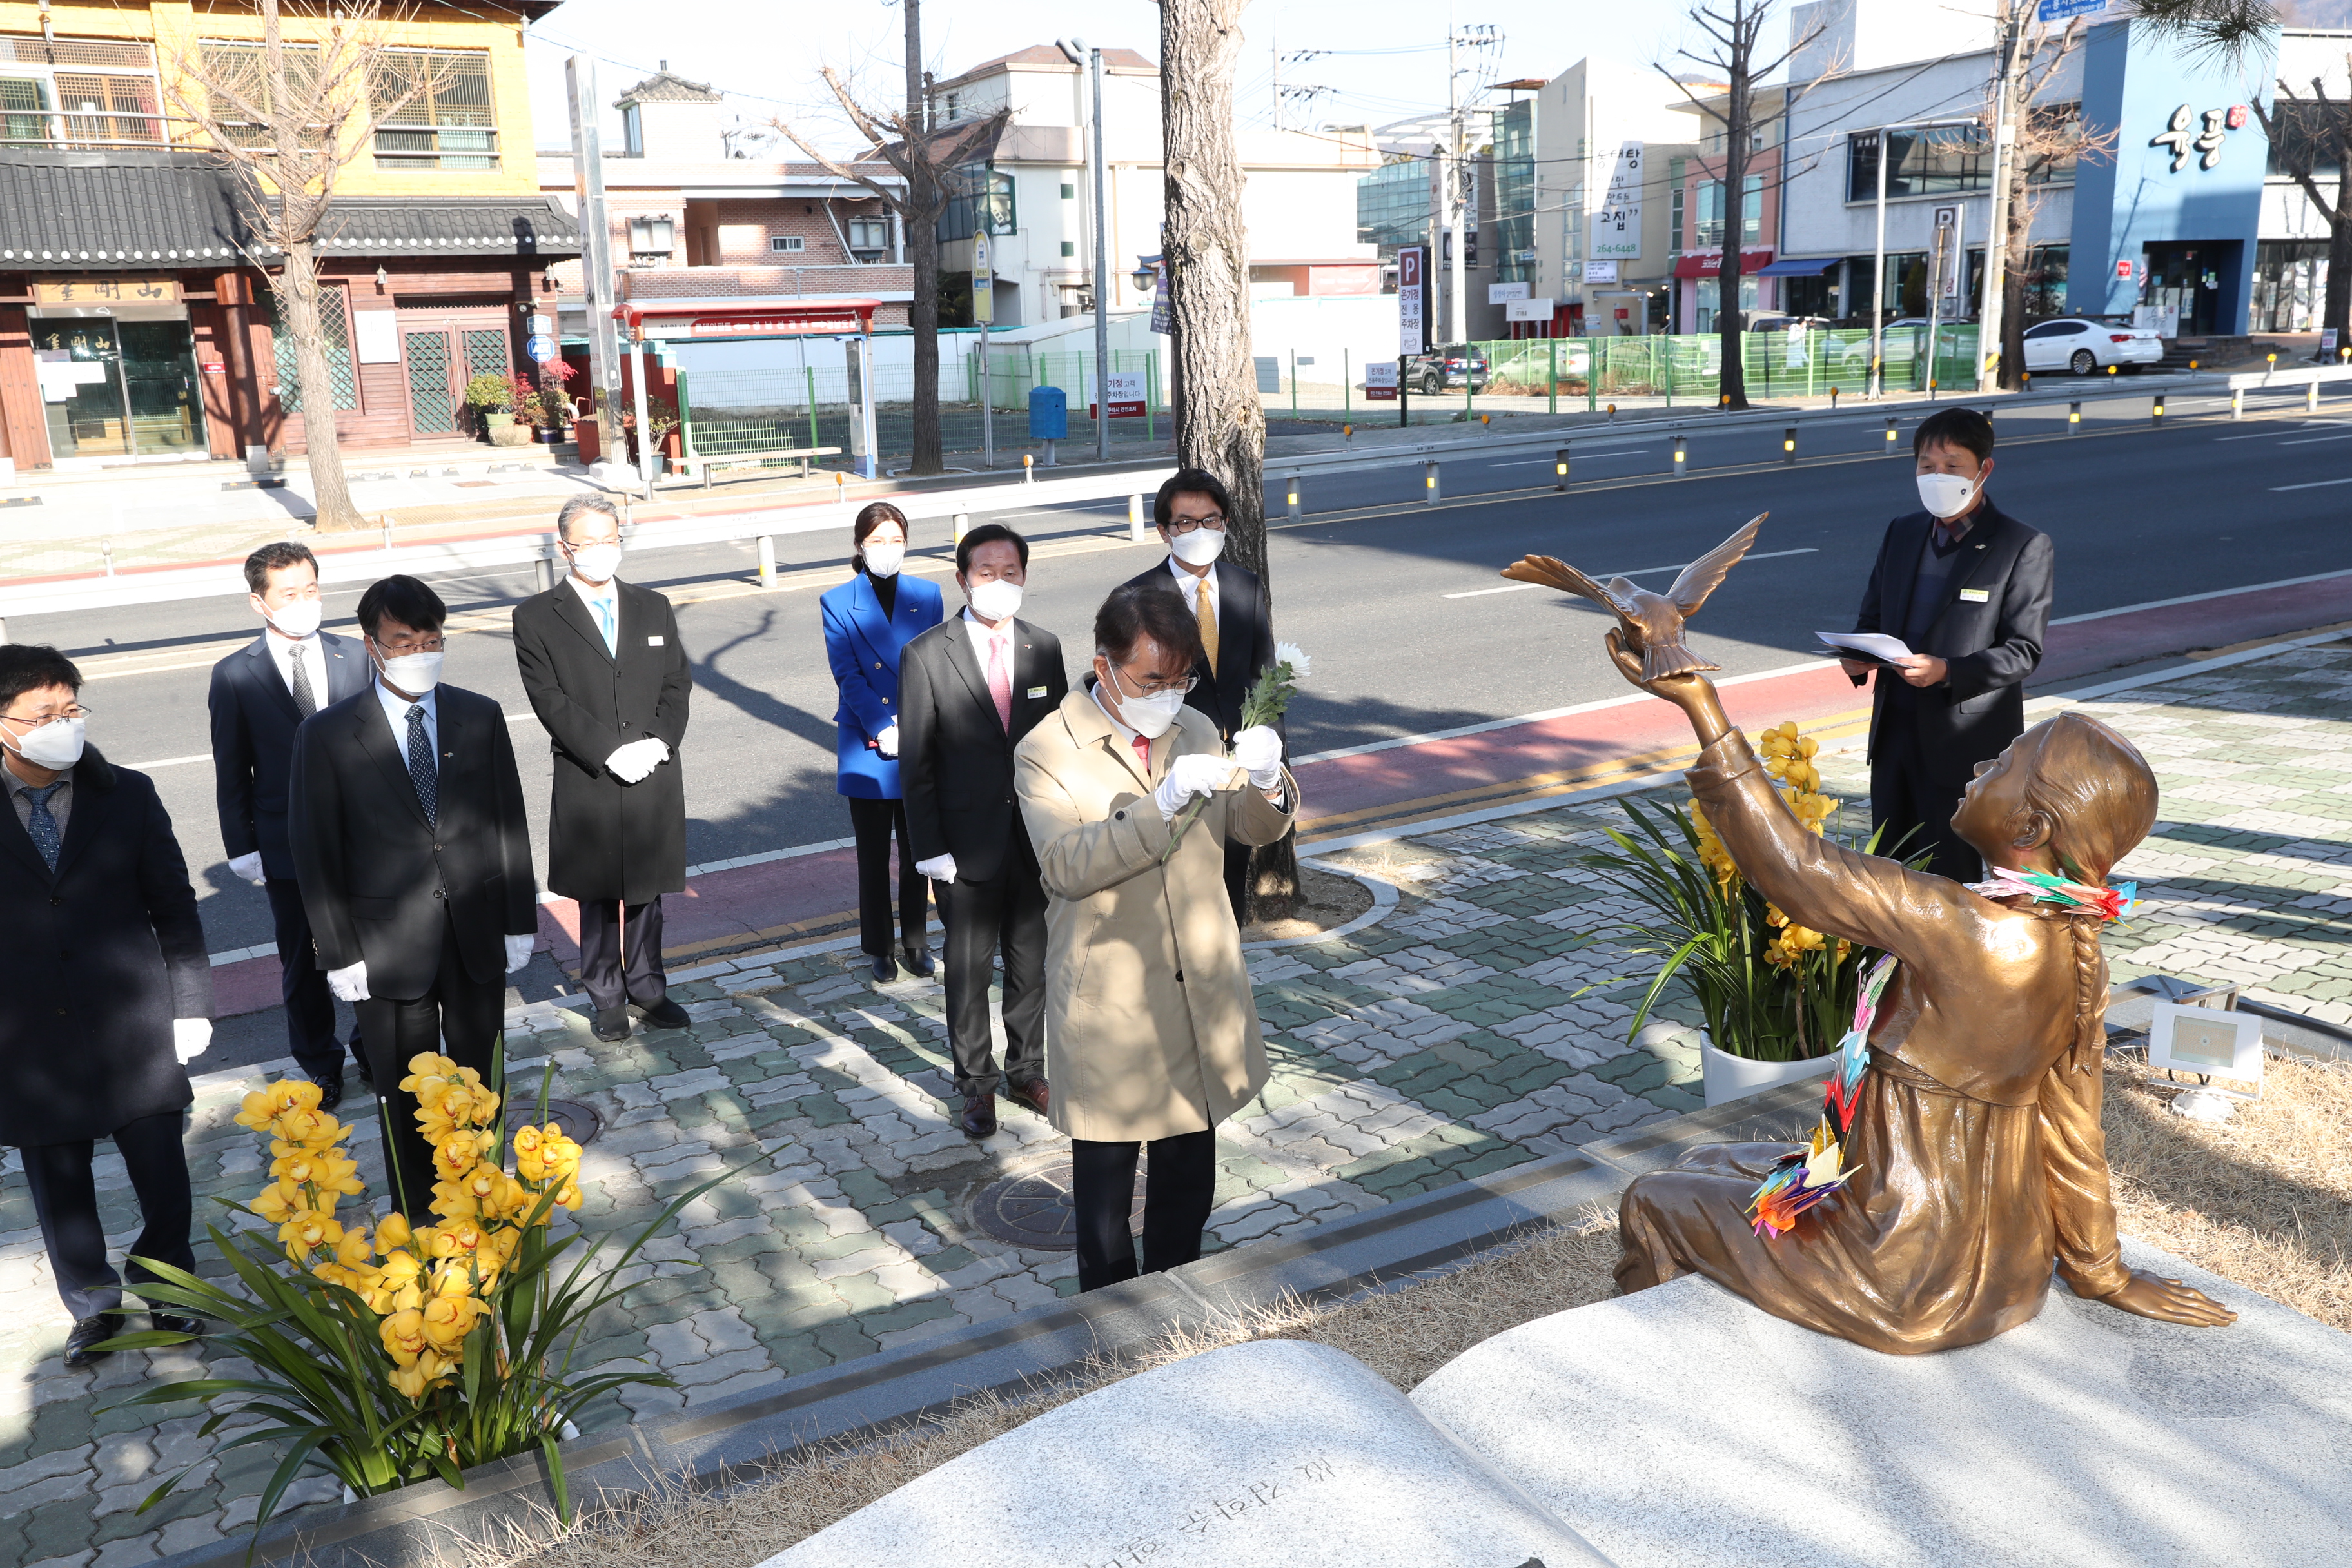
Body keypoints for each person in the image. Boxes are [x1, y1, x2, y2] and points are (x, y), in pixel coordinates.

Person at [1605, 631, 2235, 1353]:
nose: (1978, 762)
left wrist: (1700, 703)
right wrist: (2101, 1271)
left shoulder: (1964, 924)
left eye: (2000, 763)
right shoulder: (2071, 948)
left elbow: (1799, 870)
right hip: (2000, 1265)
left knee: (1651, 1198)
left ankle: (1660, 1361)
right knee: (1706, 1163)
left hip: (1895, 1264)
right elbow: (2072, 1131)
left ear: (2031, 824)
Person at [1014, 581, 1296, 1293]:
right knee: (1107, 1208)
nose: (1168, 694)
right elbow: (1065, 867)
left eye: (1182, 679)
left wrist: (1268, 783)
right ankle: (1111, 1336)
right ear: (1104, 663)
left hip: (1197, 993)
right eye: (1151, 680)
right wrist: (1160, 805)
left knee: (1185, 1188)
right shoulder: (1046, 749)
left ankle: (1179, 1313)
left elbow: (1250, 829)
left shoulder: (1196, 727)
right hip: (1112, 1000)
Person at [289, 575, 536, 1220]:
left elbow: (508, 819)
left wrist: (518, 916)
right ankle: (420, 1213)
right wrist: (337, 950)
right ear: (373, 645)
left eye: (431, 639)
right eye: (404, 641)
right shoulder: (328, 734)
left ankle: (485, 1198)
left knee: (483, 1078)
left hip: (476, 929)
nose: (419, 651)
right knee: (405, 1089)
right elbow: (316, 851)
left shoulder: (476, 714)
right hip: (386, 946)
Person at [0, 645, 212, 1365]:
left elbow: (174, 906)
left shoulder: (128, 793)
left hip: (133, 1021)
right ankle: (91, 1302)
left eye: (71, 709)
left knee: (160, 1166)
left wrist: (190, 1002)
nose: (62, 725)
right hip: (27, 1035)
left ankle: (171, 1287)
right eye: (41, 715)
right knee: (58, 1180)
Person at [899, 523, 1067, 1139]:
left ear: (1025, 576)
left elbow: (1061, 746)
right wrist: (928, 851)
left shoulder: (1044, 648)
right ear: (963, 578)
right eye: (987, 573)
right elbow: (916, 762)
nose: (1000, 584)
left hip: (1035, 840)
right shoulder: (926, 654)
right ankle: (976, 1084)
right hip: (962, 847)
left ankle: (1028, 1070)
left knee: (1033, 965)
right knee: (968, 970)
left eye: (1012, 573)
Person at [512, 495, 694, 1043]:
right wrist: (611, 751)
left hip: (653, 768)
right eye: (588, 541)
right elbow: (548, 698)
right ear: (564, 547)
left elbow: (676, 684)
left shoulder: (652, 606)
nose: (601, 550)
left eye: (610, 539)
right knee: (596, 893)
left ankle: (648, 988)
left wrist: (658, 742)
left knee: (646, 888)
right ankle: (606, 995)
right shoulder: (537, 616)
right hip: (590, 770)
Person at [1843, 406, 2052, 882]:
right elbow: (1873, 614)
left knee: (1949, 878)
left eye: (1952, 465)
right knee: (1889, 870)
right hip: (1894, 730)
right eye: (1926, 465)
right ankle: (1893, 959)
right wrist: (1858, 656)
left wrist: (1948, 672)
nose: (1937, 476)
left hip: (1963, 744)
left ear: (1984, 469)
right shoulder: (1903, 532)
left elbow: (2024, 650)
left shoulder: (2021, 544)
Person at [209, 542, 371, 1108]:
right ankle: (321, 1064)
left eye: (310, 589)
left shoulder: (356, 655)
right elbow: (231, 769)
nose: (304, 602)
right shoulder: (235, 674)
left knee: (370, 945)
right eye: (289, 594)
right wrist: (242, 845)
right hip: (285, 842)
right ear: (260, 603)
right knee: (304, 959)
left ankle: (373, 1048)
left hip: (362, 836)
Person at [1121, 467, 1279, 918]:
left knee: (1230, 891)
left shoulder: (1243, 585)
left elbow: (1262, 675)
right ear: (1164, 532)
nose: (1201, 530)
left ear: (1226, 524)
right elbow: (1124, 694)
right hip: (1173, 772)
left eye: (1211, 520)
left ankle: (1222, 980)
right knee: (1173, 891)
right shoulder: (1136, 596)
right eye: (1187, 522)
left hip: (1236, 773)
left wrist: (1273, 765)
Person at [821, 502, 945, 985]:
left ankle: (916, 941)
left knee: (919, 848)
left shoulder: (928, 594)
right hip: (866, 740)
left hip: (918, 735)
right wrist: (881, 725)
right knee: (872, 854)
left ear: (907, 543)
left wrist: (914, 724)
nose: (887, 549)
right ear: (859, 546)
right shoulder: (837, 601)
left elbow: (935, 665)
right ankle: (879, 947)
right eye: (877, 541)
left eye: (896, 539)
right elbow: (847, 674)